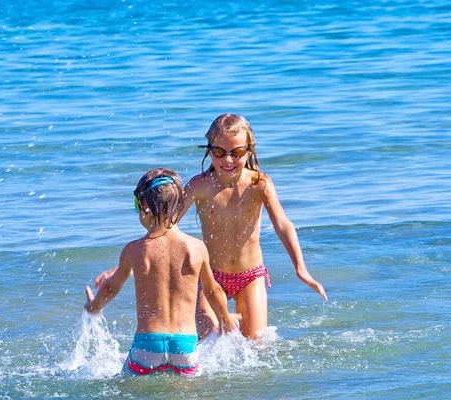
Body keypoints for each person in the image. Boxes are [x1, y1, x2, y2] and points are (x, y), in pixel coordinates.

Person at [96, 114, 327, 340]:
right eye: (219, 152)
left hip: (251, 275)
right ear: (209, 150)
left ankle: (236, 321)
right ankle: (230, 320)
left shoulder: (259, 184)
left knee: (256, 345)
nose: (227, 160)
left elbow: (282, 225)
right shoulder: (200, 185)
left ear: (249, 150)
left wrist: (300, 267)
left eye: (236, 153)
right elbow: (166, 225)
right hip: (211, 277)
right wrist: (124, 267)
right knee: (206, 340)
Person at [84, 168, 238, 377]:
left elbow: (111, 287)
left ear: (144, 206)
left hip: (148, 344)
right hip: (185, 345)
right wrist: (225, 321)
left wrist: (94, 306)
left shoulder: (135, 249)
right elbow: (213, 291)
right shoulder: (196, 247)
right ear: (179, 205)